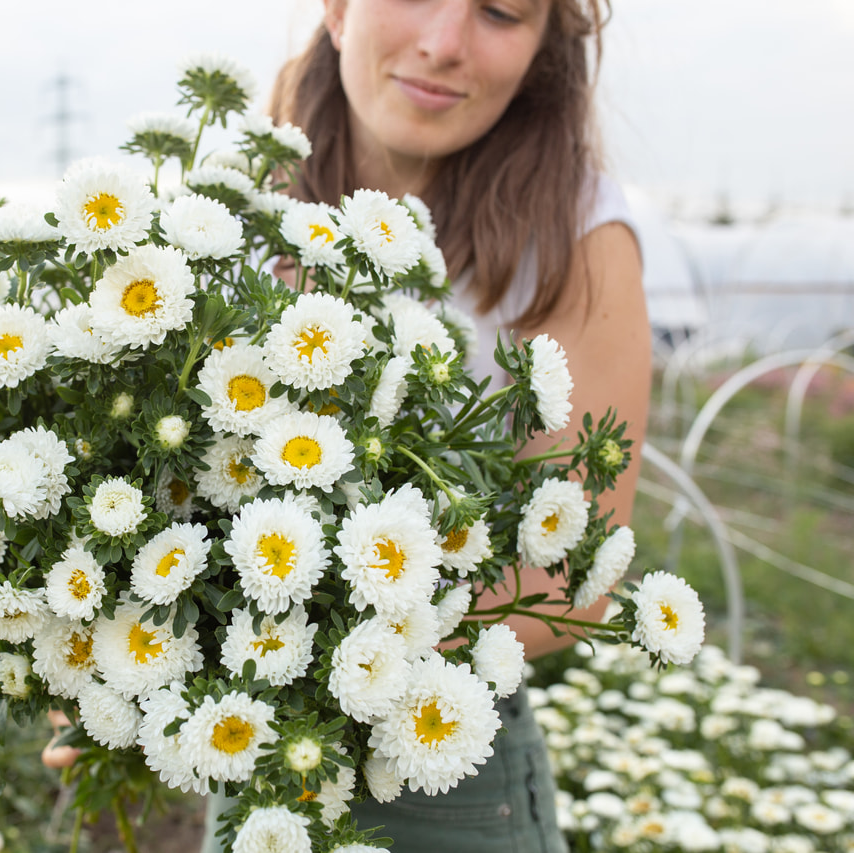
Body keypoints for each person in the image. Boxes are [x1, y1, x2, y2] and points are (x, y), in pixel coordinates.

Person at [203, 1, 644, 850]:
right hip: (244, 744)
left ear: (543, 46)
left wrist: (339, 645)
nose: (445, 44)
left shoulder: (580, 237)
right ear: (336, 9)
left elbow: (570, 574)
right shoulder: (230, 209)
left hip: (446, 760)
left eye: (501, 12)